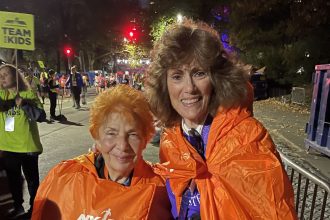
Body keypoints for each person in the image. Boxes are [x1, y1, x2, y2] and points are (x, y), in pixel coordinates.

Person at [145, 19, 297, 219]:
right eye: (177, 76)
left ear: (217, 79)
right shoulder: (172, 140)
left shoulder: (247, 138)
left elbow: (275, 211)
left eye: (199, 73)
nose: (189, 88)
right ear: (164, 85)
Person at [32, 85, 172, 220]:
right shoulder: (64, 178)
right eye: (111, 133)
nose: (122, 145)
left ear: (145, 138)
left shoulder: (164, 190)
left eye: (133, 134)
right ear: (96, 137)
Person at [0, 64, 44, 219]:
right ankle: (17, 206)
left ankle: (35, 207)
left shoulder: (28, 93)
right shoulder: (0, 95)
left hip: (27, 146)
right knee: (14, 181)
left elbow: (41, 116)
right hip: (7, 147)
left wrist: (24, 104)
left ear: (15, 76)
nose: (2, 77)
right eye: (0, 75)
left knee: (32, 181)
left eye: (6, 74)